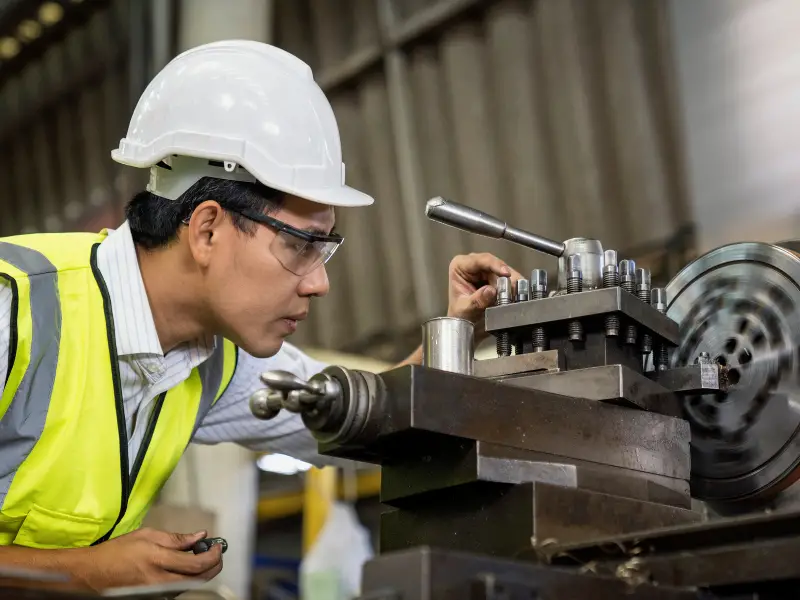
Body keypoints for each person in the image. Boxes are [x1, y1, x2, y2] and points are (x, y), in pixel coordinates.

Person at [0, 40, 521, 591]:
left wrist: (456, 335)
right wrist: (87, 572)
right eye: (302, 246)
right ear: (207, 229)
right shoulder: (18, 308)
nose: (319, 283)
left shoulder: (213, 363)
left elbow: (368, 423)